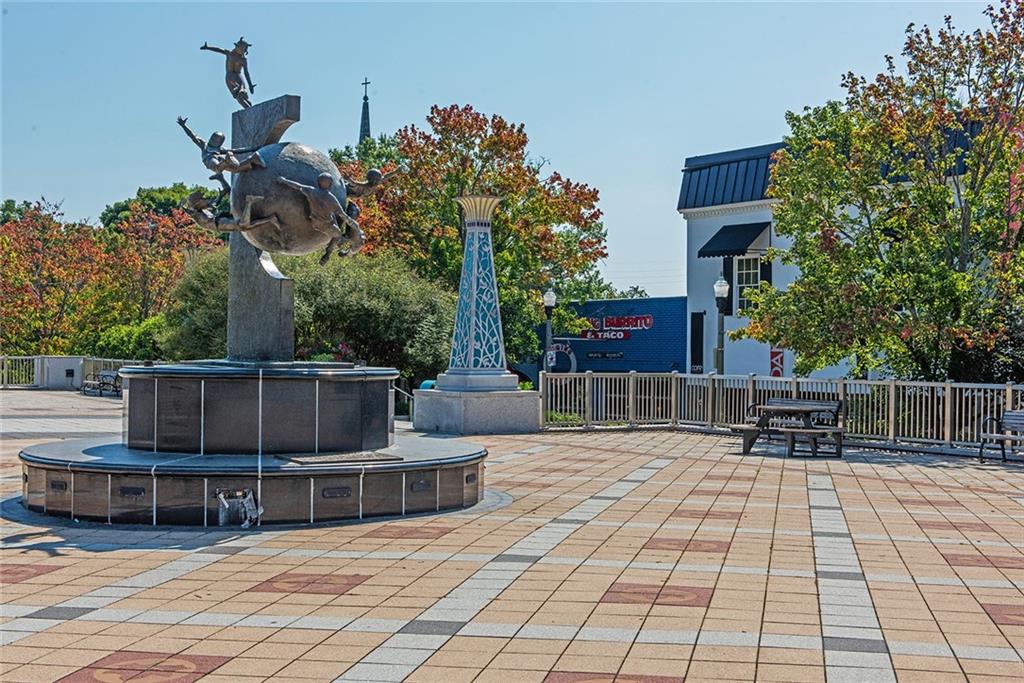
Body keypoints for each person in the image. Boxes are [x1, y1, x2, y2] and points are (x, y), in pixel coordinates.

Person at [276, 173, 365, 264]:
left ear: (318, 182)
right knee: (337, 235)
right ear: (330, 185)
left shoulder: (311, 191)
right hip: (325, 225)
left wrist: (284, 180)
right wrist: (351, 222)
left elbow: (298, 186)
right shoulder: (331, 199)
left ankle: (340, 240)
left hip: (314, 220)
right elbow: (342, 214)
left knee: (332, 217)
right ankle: (327, 254)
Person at [177, 116, 264, 194]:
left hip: (210, 160)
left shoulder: (216, 148)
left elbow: (239, 150)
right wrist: (184, 126)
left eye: (216, 140)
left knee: (219, 169)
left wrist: (254, 148)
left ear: (219, 143)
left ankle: (227, 161)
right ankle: (251, 159)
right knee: (235, 169)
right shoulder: (204, 144)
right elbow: (192, 136)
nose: (213, 141)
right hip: (214, 160)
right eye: (213, 139)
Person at [200, 37, 256, 108]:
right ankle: (247, 105)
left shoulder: (243, 60)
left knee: (243, 95)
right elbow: (219, 50)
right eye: (242, 49)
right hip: (230, 77)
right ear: (237, 47)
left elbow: (246, 73)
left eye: (245, 50)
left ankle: (249, 107)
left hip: (238, 77)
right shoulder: (229, 54)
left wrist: (250, 85)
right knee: (238, 97)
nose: (243, 52)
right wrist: (208, 47)